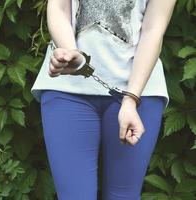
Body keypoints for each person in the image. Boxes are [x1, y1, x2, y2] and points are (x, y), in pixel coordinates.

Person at [30, 0, 177, 199]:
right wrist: (72, 55)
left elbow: (153, 31)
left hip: (140, 91)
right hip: (66, 90)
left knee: (123, 196)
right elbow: (58, 8)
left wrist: (131, 99)